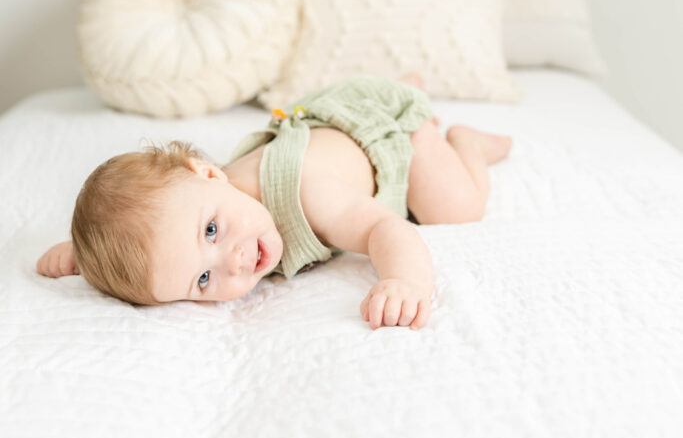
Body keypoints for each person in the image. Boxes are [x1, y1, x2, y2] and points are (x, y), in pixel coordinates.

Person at [36, 74, 511, 330]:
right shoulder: (200, 199)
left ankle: (461, 143)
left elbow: (384, 229)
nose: (235, 260)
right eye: (203, 279)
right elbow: (149, 237)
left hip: (385, 135)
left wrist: (404, 280)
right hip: (325, 126)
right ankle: (408, 83)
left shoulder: (305, 191)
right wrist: (92, 254)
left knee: (455, 209)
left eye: (211, 231)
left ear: (207, 172)